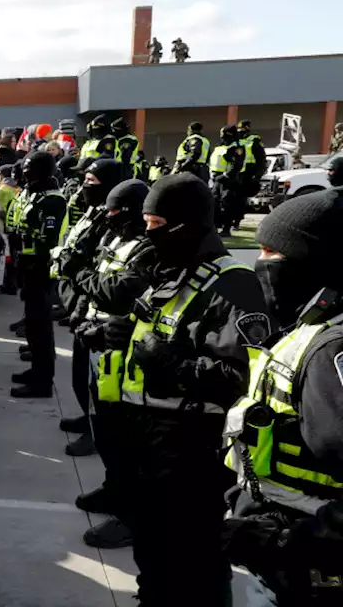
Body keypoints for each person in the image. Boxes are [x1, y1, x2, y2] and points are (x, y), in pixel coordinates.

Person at [104, 173, 266, 606]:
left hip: (194, 452)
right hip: (151, 442)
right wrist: (124, 334)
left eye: (157, 224)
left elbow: (245, 380)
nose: (148, 234)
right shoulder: (171, 271)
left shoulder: (234, 285)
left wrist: (172, 362)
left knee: (195, 564)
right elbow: (157, 333)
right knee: (154, 554)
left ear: (187, 224)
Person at [222, 188, 343, 606]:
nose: (262, 264)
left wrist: (303, 539)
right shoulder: (309, 325)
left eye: (273, 253)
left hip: (312, 567)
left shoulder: (331, 348)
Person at [69, 179, 152, 550]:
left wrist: (81, 275)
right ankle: (113, 487)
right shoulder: (116, 238)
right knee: (104, 424)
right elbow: (99, 275)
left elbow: (119, 293)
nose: (110, 216)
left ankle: (131, 514)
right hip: (99, 338)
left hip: (124, 349)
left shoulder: (148, 248)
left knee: (124, 437)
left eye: (117, 210)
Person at [51, 158, 125, 453]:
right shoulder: (92, 213)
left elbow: (92, 265)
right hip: (79, 302)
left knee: (97, 378)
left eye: (92, 182)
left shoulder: (113, 221)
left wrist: (81, 303)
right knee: (79, 373)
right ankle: (87, 418)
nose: (85, 186)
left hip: (95, 307)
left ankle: (97, 432)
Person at [11, 152, 69, 397]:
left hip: (41, 268)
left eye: (30, 169)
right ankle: (35, 368)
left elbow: (48, 239)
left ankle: (43, 380)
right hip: (28, 265)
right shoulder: (33, 192)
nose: (25, 173)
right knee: (32, 324)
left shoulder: (53, 200)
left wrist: (34, 261)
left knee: (41, 324)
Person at [209, 124, 248, 237]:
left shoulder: (237, 147)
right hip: (216, 179)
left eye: (223, 134)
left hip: (228, 180)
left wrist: (225, 176)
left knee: (227, 205)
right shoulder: (222, 146)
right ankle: (215, 227)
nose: (221, 136)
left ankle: (226, 229)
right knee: (214, 203)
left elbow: (236, 164)